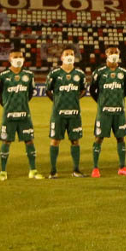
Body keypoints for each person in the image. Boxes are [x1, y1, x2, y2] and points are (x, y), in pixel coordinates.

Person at [0, 50, 42, 180]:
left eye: (20, 57)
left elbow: (30, 93)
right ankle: (3, 172)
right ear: (10, 59)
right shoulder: (3, 76)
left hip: (24, 114)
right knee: (6, 141)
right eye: (15, 57)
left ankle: (33, 170)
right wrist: (6, 105)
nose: (18, 59)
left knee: (29, 140)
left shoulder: (29, 75)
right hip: (9, 115)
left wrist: (22, 104)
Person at [90, 46, 126, 177]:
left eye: (116, 52)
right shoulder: (99, 72)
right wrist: (101, 102)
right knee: (99, 138)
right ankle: (95, 168)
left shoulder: (124, 72)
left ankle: (122, 167)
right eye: (111, 52)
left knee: (121, 138)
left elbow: (125, 90)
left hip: (119, 111)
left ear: (119, 54)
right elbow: (92, 90)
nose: (114, 54)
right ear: (106, 54)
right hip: (104, 112)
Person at [46, 47, 87, 178]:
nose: (69, 56)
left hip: (74, 113)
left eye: (72, 54)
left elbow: (83, 90)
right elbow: (48, 90)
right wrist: (56, 101)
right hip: (58, 114)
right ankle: (53, 171)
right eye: (67, 54)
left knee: (75, 141)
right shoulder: (54, 74)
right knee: (55, 140)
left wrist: (75, 99)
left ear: (75, 57)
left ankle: (76, 170)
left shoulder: (80, 74)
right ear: (62, 57)